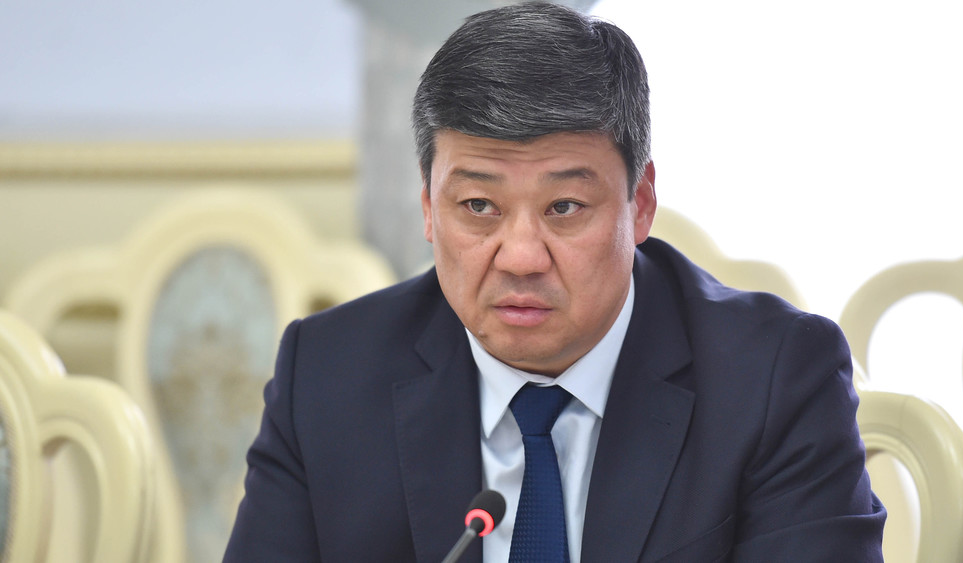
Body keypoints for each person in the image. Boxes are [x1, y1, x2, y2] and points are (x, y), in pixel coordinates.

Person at [224, 2, 886, 561]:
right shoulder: (327, 376)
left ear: (640, 202)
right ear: (427, 207)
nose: (520, 257)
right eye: (478, 206)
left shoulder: (774, 379)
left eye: (564, 207)